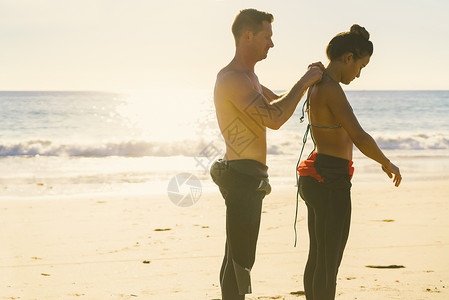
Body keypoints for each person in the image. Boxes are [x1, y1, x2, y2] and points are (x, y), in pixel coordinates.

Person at [210, 8, 324, 300]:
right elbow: (273, 118)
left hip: (249, 174)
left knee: (236, 254)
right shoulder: (234, 78)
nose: (271, 44)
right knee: (241, 259)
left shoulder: (250, 77)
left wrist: (313, 85)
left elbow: (282, 101)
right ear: (248, 35)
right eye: (267, 37)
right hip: (241, 174)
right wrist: (305, 79)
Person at [297, 24, 402, 300]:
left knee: (319, 255)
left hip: (318, 174)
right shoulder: (331, 89)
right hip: (331, 178)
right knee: (329, 260)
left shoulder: (317, 83)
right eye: (361, 66)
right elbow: (359, 136)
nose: (359, 74)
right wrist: (386, 162)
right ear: (348, 58)